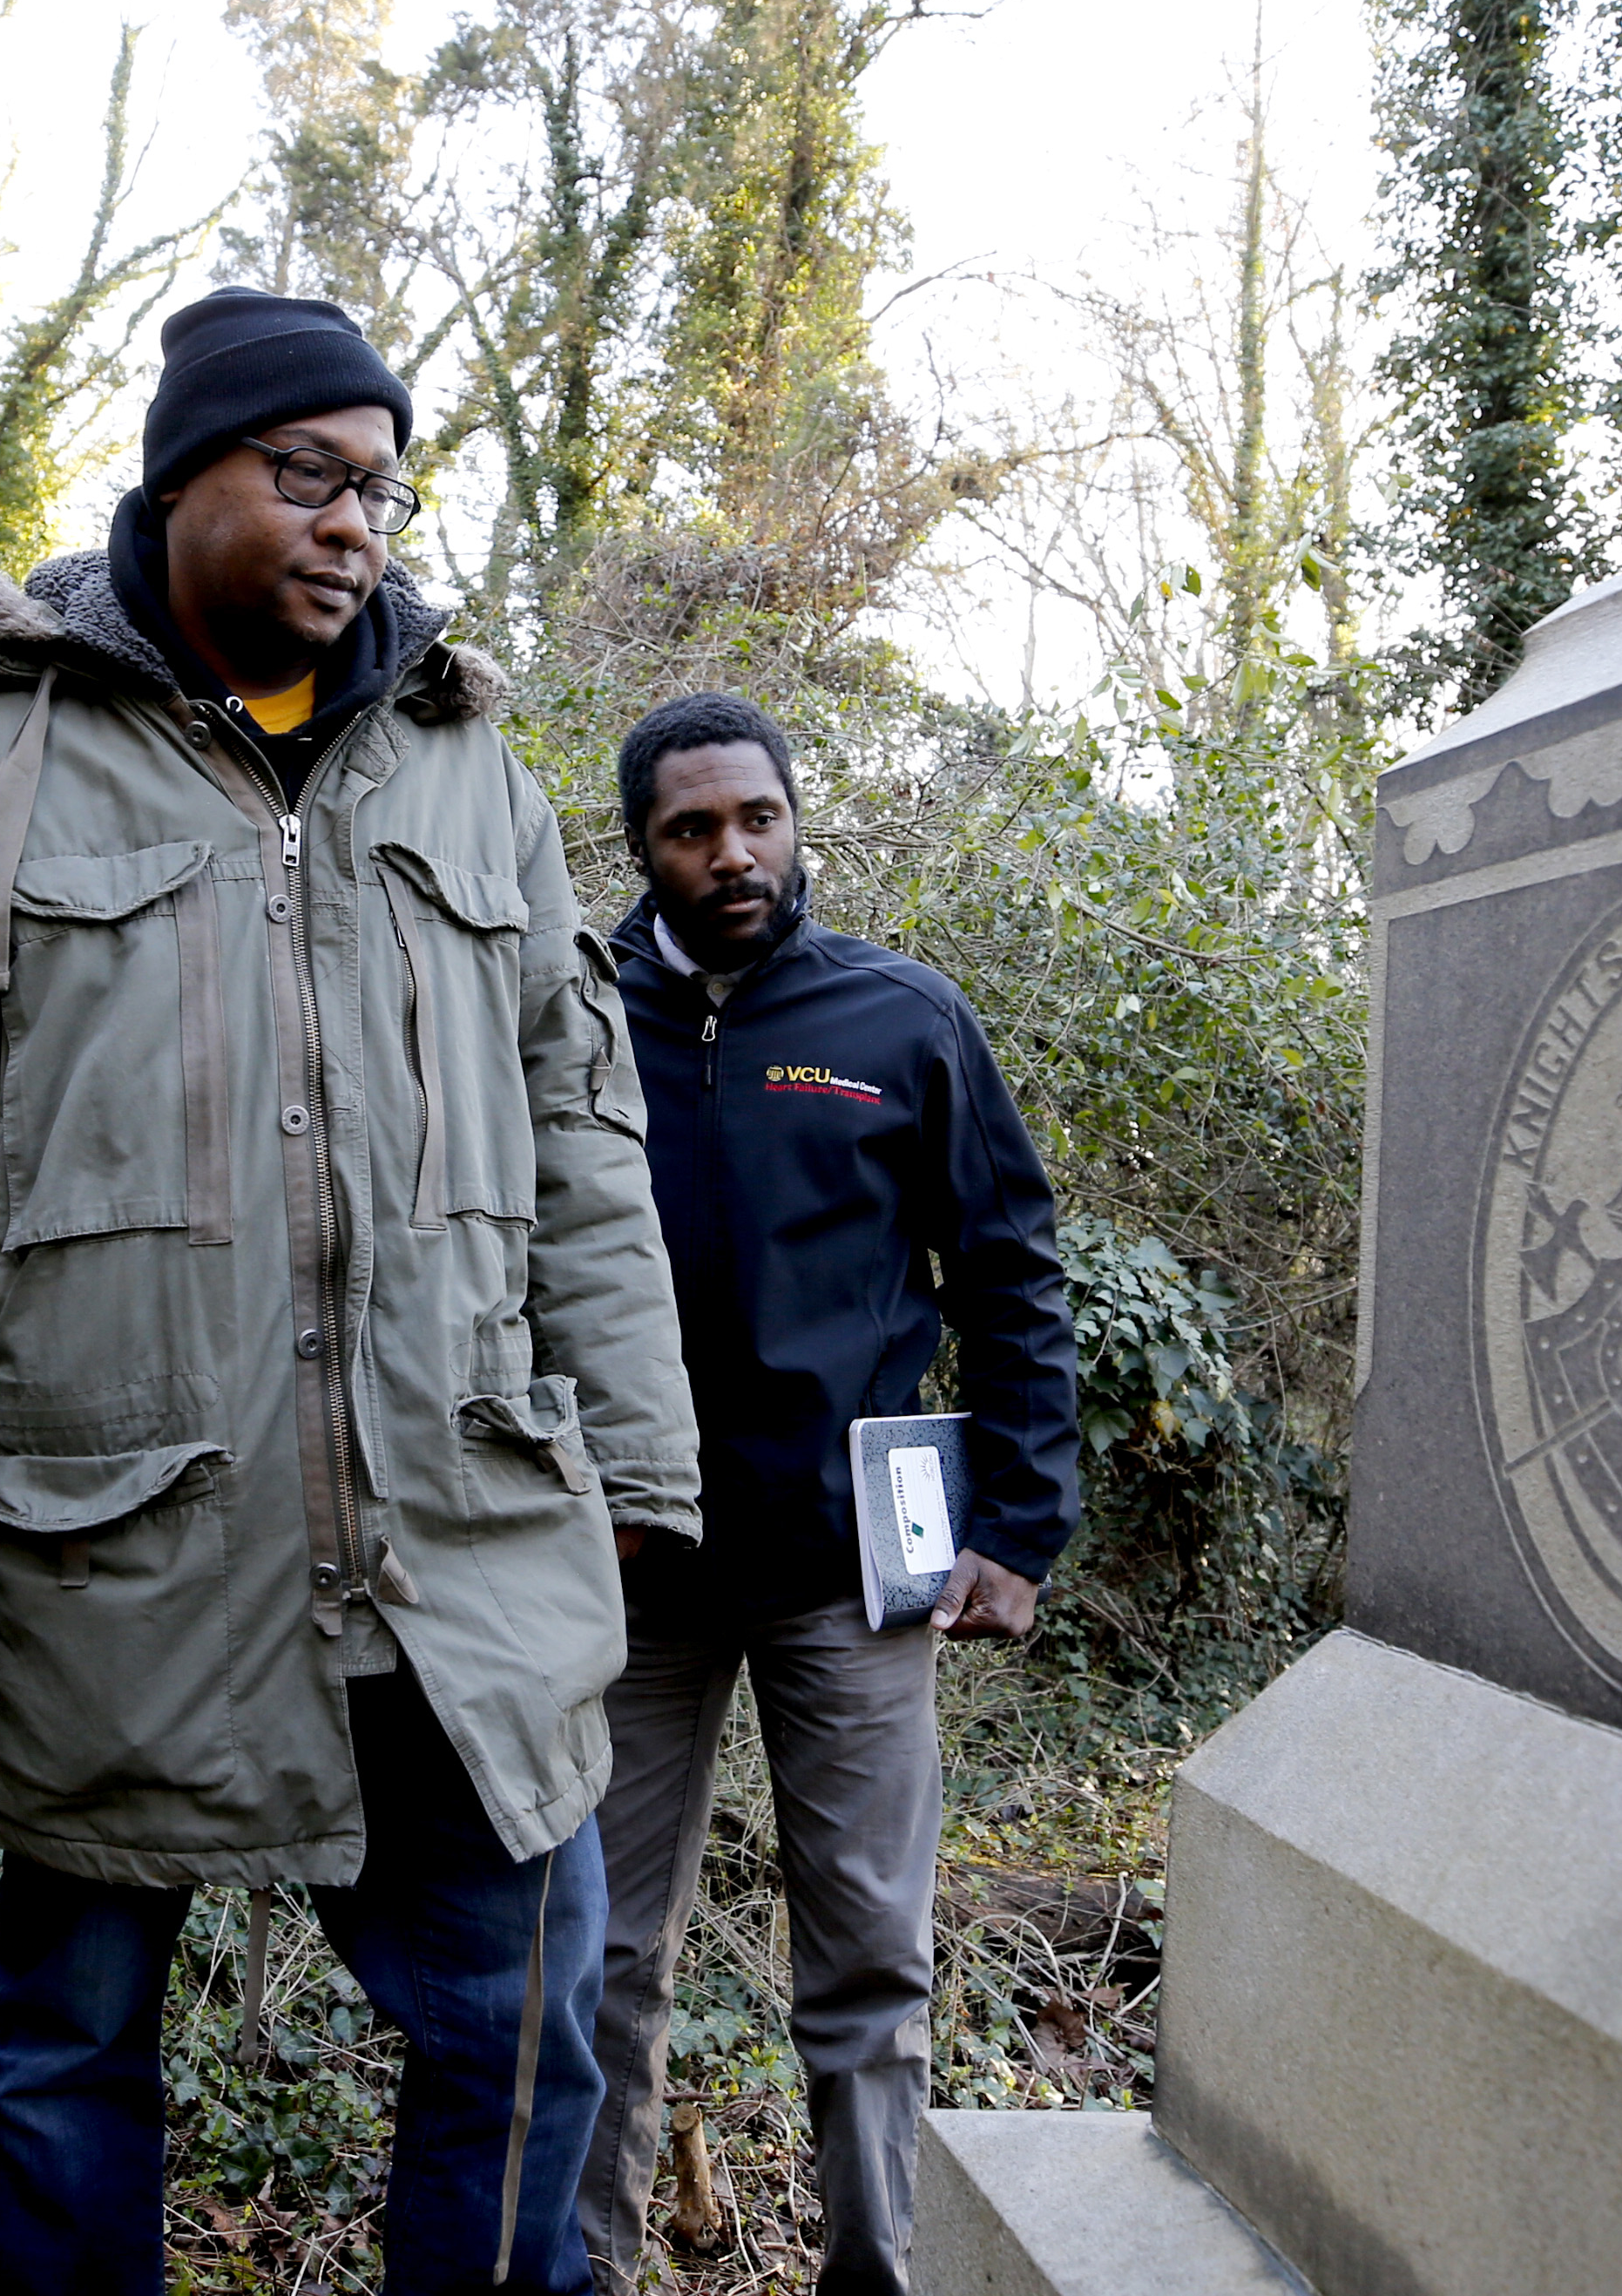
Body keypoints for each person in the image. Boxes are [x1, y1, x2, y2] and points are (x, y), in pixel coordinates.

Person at [0, 285, 700, 2295]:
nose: (360, 524)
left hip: (460, 1530)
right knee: (69, 2049)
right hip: (114, 1538)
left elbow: (586, 1148)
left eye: (384, 485)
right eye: (310, 474)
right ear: (182, 478)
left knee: (526, 2022)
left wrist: (639, 1461)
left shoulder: (472, 775)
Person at [576, 693, 1080, 2296]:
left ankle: (875, 2274)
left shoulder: (898, 1019)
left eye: (758, 819)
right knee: (592, 1959)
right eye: (691, 828)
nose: (732, 854)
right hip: (625, 1574)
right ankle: (577, 2267)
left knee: (869, 1955)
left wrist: (1015, 1524)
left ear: (795, 819)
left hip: (846, 1573)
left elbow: (1010, 1275)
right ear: (641, 845)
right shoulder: (568, 1016)